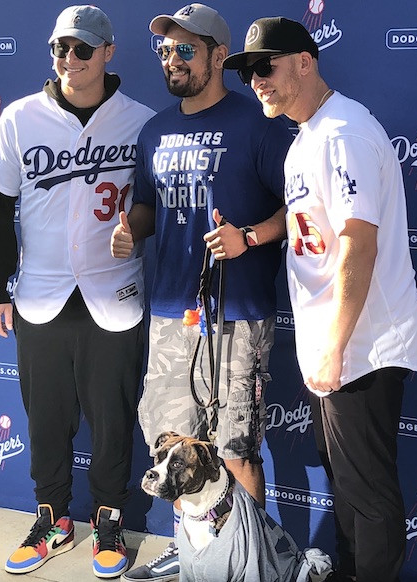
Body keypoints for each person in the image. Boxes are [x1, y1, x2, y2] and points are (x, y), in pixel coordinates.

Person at [223, 17, 417, 582]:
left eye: (266, 66)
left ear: (305, 61)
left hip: (362, 343)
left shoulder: (343, 133)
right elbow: (306, 220)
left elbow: (359, 244)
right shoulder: (307, 136)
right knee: (345, 482)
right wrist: (254, 236)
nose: (257, 81)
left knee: (366, 489)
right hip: (333, 343)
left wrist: (335, 346)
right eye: (248, 73)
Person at [110, 4, 294, 581]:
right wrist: (130, 229)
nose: (173, 59)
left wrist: (250, 237)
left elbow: (302, 208)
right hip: (171, 315)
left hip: (237, 315)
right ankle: (191, 555)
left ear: (219, 56)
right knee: (175, 451)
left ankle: (248, 563)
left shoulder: (258, 125)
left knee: (235, 450)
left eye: (186, 49)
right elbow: (146, 205)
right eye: (166, 51)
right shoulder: (154, 131)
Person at [0, 5, 154, 578]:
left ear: (107, 53)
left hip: (114, 294)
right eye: (60, 49)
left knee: (111, 418)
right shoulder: (20, 120)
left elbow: (155, 206)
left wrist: (139, 229)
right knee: (47, 417)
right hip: (41, 294)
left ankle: (108, 521)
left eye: (82, 49)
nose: (69, 60)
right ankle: (52, 517)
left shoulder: (141, 121)